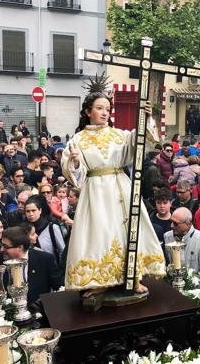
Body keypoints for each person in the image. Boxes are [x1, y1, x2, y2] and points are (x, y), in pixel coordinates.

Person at [60, 93, 165, 295]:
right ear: (87, 111)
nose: (104, 112)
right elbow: (76, 175)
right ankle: (101, 281)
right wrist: (74, 161)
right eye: (99, 108)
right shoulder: (78, 139)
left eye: (107, 109)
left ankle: (133, 276)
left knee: (129, 231)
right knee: (100, 234)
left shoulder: (118, 135)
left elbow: (140, 142)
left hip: (121, 187)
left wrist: (146, 119)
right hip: (96, 192)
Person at [0, 226, 63, 304]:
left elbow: (59, 288)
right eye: (2, 245)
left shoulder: (45, 259)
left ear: (20, 247)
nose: (1, 249)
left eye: (5, 246)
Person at [164, 207, 200, 287]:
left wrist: (189, 286)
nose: (172, 225)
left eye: (176, 223)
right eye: (171, 222)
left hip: (198, 290)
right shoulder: (167, 237)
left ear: (188, 223)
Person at [24, 195, 65, 265]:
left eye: (33, 210)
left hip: (52, 270)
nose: (31, 214)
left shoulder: (52, 228)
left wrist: (60, 271)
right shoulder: (23, 229)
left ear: (40, 210)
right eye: (28, 211)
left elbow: (62, 251)